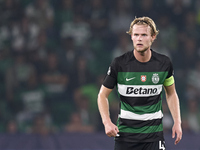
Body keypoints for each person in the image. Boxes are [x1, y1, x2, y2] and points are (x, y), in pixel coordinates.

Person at [97, 16, 182, 150]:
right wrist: (106, 122)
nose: (139, 38)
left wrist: (177, 121)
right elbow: (102, 95)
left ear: (153, 37)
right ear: (131, 37)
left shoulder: (164, 63)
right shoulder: (119, 64)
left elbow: (171, 93)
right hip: (125, 137)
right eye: (136, 35)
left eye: (144, 35)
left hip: (154, 137)